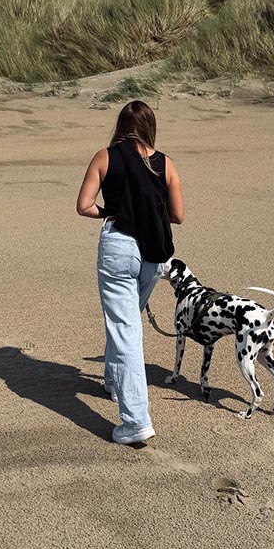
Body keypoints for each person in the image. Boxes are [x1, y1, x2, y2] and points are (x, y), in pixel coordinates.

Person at [76, 100, 184, 444]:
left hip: (119, 245)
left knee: (124, 328)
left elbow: (84, 206)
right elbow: (178, 215)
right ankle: (113, 382)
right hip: (154, 252)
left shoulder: (105, 157)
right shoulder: (165, 163)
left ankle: (135, 420)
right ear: (150, 127)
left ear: (121, 125)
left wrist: (112, 211)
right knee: (125, 322)